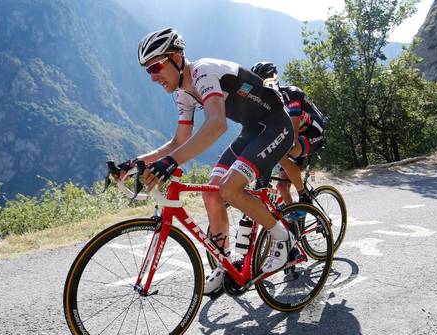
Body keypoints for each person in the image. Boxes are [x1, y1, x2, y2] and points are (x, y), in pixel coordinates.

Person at [121, 28, 296, 295]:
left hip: (275, 126)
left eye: (156, 66)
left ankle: (284, 238)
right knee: (213, 192)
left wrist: (169, 163)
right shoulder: (183, 94)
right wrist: (135, 163)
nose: (153, 76)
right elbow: (178, 142)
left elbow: (216, 124)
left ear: (177, 57)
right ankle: (225, 264)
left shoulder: (204, 72)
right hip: (252, 131)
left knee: (229, 188)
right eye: (148, 70)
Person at [250, 61, 326, 205]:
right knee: (282, 187)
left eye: (264, 80)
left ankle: (304, 196)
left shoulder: (292, 93)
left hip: (314, 133)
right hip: (297, 137)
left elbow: (294, 129)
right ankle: (294, 224)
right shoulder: (270, 104)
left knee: (278, 153)